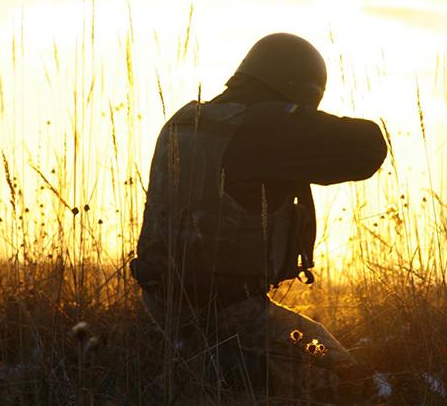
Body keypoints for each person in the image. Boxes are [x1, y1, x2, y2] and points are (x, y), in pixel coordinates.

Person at [130, 33, 387, 403]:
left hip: (161, 306)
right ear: (299, 89)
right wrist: (300, 120)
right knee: (347, 379)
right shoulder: (264, 125)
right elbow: (368, 147)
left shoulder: (184, 120)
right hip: (231, 313)